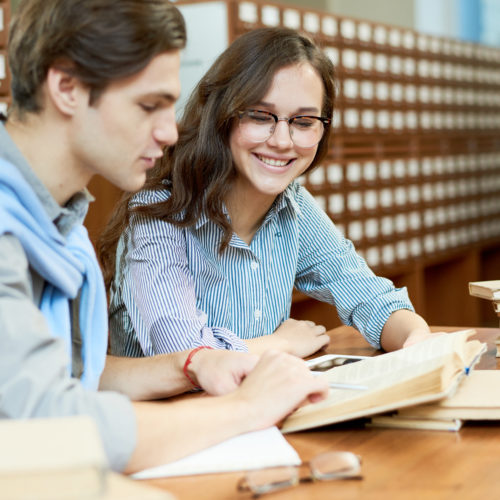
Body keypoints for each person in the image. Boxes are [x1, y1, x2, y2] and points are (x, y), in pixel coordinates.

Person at [0, 0, 329, 475]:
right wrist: (243, 409)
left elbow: (75, 372)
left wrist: (193, 363)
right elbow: (50, 426)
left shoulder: (58, 218)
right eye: (148, 105)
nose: (170, 131)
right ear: (67, 87)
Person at [100, 27, 439, 361]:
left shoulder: (294, 206)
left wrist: (415, 337)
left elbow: (369, 297)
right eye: (261, 116)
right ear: (222, 114)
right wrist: (279, 344)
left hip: (258, 406)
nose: (281, 140)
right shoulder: (159, 211)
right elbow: (184, 357)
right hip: (176, 414)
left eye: (303, 122)